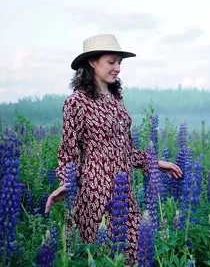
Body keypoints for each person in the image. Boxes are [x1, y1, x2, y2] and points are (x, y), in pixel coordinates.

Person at [44, 34, 183, 265]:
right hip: (94, 192)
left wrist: (156, 163)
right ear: (92, 62)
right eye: (111, 61)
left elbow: (126, 150)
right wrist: (66, 183)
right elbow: (67, 153)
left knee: (137, 252)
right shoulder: (76, 103)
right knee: (103, 255)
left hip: (123, 189)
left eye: (120, 62)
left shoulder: (116, 100)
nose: (118, 68)